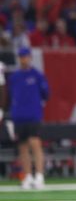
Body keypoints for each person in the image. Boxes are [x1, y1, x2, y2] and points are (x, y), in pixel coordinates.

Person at [7, 47, 49, 189]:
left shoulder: (37, 75)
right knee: (22, 147)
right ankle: (27, 176)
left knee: (35, 144)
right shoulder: (14, 77)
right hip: (18, 115)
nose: (23, 59)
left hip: (33, 115)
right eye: (20, 56)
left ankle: (39, 176)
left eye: (24, 56)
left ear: (30, 57)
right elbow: (10, 96)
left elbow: (46, 94)